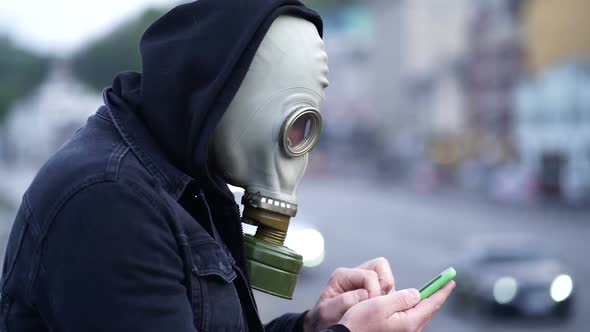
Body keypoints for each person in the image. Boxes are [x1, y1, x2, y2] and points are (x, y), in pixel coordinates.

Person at [0, 1, 454, 331]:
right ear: (223, 94)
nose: (296, 153)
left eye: (306, 129)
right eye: (292, 126)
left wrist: (312, 327)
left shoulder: (184, 179)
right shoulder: (108, 201)